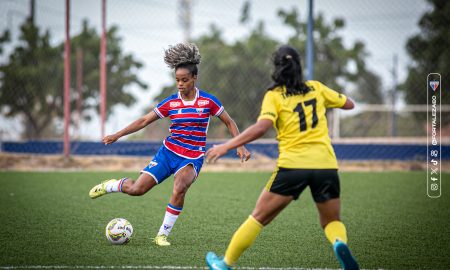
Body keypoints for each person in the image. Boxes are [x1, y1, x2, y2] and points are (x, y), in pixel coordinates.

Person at [205, 45, 359, 270]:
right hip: (325, 164)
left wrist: (227, 145)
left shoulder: (274, 96)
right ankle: (338, 243)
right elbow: (349, 104)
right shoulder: (316, 88)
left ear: (276, 69)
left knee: (258, 217)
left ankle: (225, 264)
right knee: (332, 221)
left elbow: (262, 127)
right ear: (299, 67)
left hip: (293, 166)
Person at [89, 43, 251, 247]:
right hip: (168, 153)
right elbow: (144, 121)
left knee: (180, 186)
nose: (180, 84)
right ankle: (111, 185)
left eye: (184, 80)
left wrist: (240, 144)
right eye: (177, 80)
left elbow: (229, 121)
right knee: (137, 190)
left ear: (194, 78)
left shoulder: (208, 101)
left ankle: (161, 235)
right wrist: (117, 134)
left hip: (192, 157)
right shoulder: (171, 103)